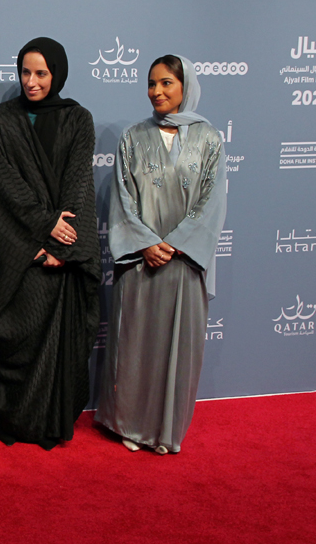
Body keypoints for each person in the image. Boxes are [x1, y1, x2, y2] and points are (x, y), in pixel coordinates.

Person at [0, 37, 100, 450]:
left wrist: (62, 247)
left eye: (41, 73)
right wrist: (43, 228)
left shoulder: (78, 119)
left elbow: (78, 185)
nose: (31, 82)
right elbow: (0, 187)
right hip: (18, 254)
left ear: (58, 74)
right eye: (25, 72)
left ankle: (47, 419)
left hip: (59, 257)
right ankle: (7, 417)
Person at [95, 55, 226, 454]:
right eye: (152, 83)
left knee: (176, 350)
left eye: (167, 83)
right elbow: (123, 198)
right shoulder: (133, 137)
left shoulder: (209, 139)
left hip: (185, 265)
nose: (157, 92)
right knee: (134, 345)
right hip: (141, 261)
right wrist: (146, 244)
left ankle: (165, 431)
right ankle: (128, 426)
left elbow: (212, 202)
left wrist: (177, 244)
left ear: (186, 86)